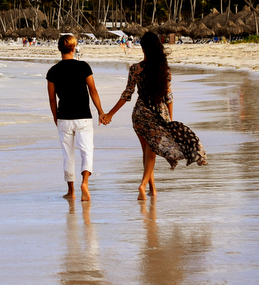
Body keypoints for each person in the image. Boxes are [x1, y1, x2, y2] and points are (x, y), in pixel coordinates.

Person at [104, 31, 207, 200]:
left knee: (147, 152)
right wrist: (170, 121)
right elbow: (169, 97)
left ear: (143, 48)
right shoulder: (164, 70)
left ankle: (152, 188)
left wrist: (110, 114)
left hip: (139, 115)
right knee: (150, 152)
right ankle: (143, 186)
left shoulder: (135, 69)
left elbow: (127, 95)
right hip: (158, 115)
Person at [46, 34, 106, 201]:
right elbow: (93, 90)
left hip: (64, 117)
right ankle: (85, 183)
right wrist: (101, 111)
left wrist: (55, 116)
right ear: (74, 49)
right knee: (87, 150)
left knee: (68, 155)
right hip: (84, 117)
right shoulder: (83, 67)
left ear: (59, 49)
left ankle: (71, 191)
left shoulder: (53, 71)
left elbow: (52, 98)